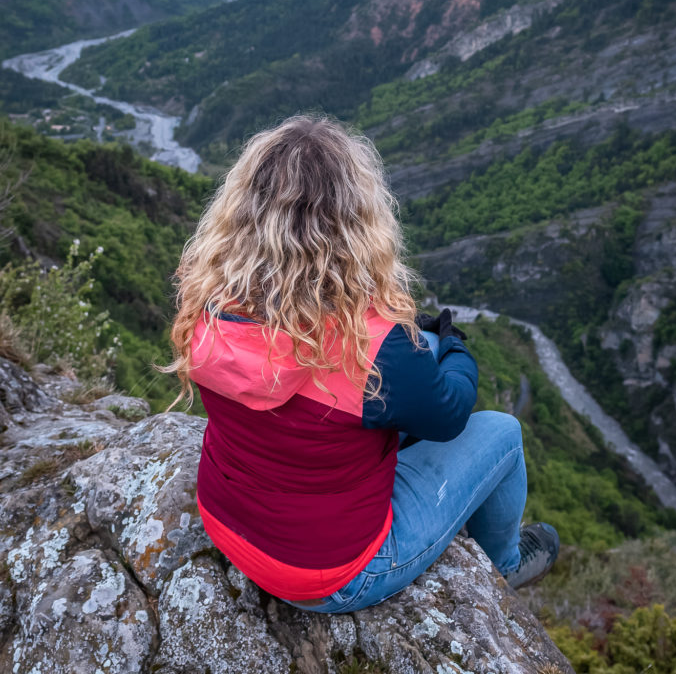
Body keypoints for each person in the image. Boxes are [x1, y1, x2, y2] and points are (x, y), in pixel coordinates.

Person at [165, 115, 559, 613]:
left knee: (413, 367)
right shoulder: (371, 346)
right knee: (502, 432)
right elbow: (452, 414)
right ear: (356, 223)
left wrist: (422, 351)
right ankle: (504, 565)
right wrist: (455, 347)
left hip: (227, 523)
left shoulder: (210, 301)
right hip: (328, 574)